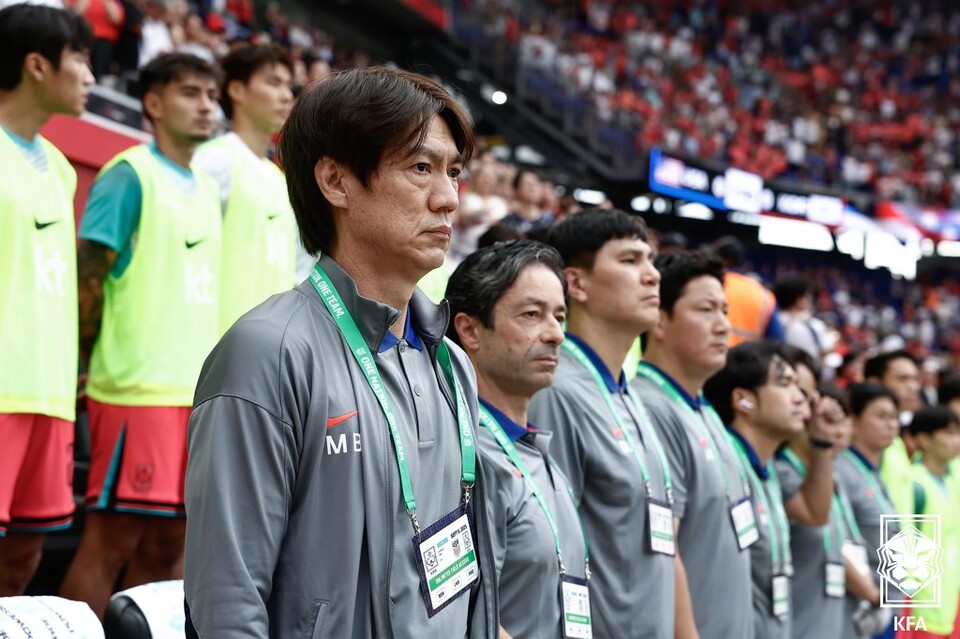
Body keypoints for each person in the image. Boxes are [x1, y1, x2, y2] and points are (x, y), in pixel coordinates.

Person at [183, 67, 498, 638]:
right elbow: (227, 600)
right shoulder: (268, 352)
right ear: (335, 181)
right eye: (420, 168)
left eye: (454, 172)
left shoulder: (452, 367)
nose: (448, 197)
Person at [61, 53, 221, 618]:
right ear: (152, 103)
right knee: (113, 541)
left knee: (171, 544)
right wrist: (83, 362)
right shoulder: (129, 174)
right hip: (135, 390)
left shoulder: (207, 188)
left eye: (210, 95)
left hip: (194, 394)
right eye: (191, 93)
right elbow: (88, 277)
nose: (207, 106)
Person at [528, 209, 678, 638]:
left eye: (651, 260)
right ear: (576, 283)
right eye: (630, 260)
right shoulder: (556, 390)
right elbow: (546, 550)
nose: (652, 275)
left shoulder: (623, 390)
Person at [446, 240, 592, 639]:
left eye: (560, 317)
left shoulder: (537, 450)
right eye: (533, 314)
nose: (556, 334)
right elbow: (454, 614)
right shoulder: (461, 454)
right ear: (470, 330)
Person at [0, 3, 92, 595]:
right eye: (79, 58)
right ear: (37, 65)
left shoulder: (59, 167)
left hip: (50, 394)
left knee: (23, 556)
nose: (90, 74)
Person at [630, 251, 756, 639]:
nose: (723, 325)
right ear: (660, 319)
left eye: (724, 310)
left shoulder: (702, 407)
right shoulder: (651, 407)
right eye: (706, 310)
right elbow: (666, 551)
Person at [193, 43, 302, 334]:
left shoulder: (280, 180)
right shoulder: (213, 160)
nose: (285, 96)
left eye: (288, 86)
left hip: (269, 345)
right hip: (215, 341)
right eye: (273, 83)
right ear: (237, 90)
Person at [703, 341, 807, 639]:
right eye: (785, 384)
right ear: (743, 400)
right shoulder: (724, 466)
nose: (800, 399)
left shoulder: (768, 469)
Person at [773, 347, 861, 639]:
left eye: (809, 393)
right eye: (789, 387)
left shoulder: (823, 472)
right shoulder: (778, 472)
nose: (803, 402)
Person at [834, 382, 901, 639]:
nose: (891, 425)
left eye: (894, 417)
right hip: (862, 610)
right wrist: (873, 597)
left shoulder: (874, 471)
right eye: (881, 416)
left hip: (888, 607)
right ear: (854, 421)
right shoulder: (842, 470)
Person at [904, 406, 960, 639]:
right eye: (948, 433)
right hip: (921, 610)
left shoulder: (952, 479)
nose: (956, 440)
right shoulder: (912, 483)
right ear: (923, 439)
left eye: (958, 433)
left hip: (950, 603)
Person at [865, 350, 922, 515]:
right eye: (902, 379)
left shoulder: (896, 441)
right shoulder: (867, 438)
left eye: (915, 379)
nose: (913, 387)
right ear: (875, 382)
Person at [711, 236, 784, 347]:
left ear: (719, 259)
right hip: (747, 360)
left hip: (711, 355)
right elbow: (777, 339)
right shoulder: (764, 294)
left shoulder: (711, 284)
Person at [774, 274, 833, 361]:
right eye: (807, 296)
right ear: (799, 299)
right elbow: (825, 351)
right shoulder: (813, 325)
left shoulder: (768, 320)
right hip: (805, 372)